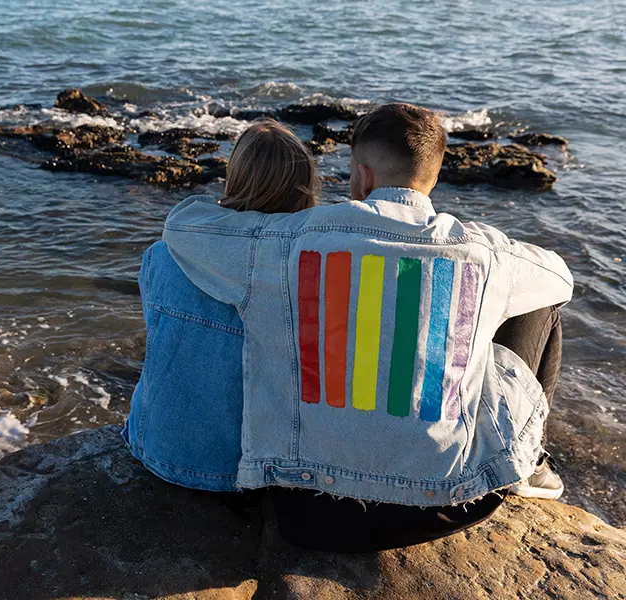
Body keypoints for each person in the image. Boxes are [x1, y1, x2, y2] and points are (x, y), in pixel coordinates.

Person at [160, 103, 573, 552]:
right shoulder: (483, 251)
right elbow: (561, 278)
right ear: (433, 176)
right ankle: (529, 464)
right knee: (536, 308)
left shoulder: (284, 241)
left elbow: (182, 226)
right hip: (448, 502)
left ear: (361, 174)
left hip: (306, 509)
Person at [123, 119, 320, 492]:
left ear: (234, 179)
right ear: (304, 188)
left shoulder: (163, 254)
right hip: (250, 472)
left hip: (157, 448)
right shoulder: (305, 275)